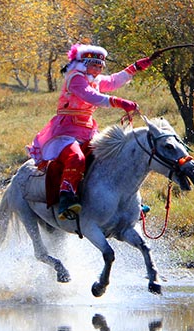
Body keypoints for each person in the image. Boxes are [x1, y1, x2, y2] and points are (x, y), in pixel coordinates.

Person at [27, 44, 151, 220]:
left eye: (101, 66)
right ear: (84, 63)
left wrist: (136, 67)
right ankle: (66, 199)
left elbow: (115, 80)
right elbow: (90, 96)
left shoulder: (96, 80)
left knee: (113, 157)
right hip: (66, 132)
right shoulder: (75, 78)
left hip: (88, 129)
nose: (99, 69)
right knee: (75, 158)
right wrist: (119, 102)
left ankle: (128, 202)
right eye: (95, 65)